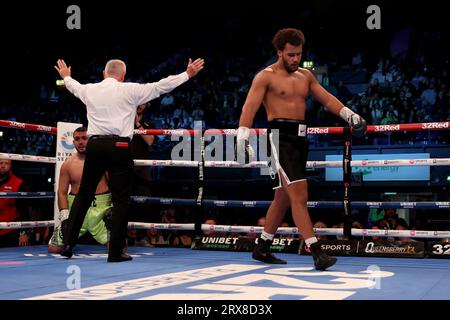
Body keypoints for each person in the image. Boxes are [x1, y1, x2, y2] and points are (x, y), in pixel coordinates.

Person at [237, 28, 367, 270]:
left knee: (283, 196)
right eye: (290, 55)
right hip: (279, 138)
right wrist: (242, 138)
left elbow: (327, 99)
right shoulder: (265, 77)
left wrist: (351, 116)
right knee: (300, 193)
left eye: (298, 54)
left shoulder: (305, 76)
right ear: (279, 52)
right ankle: (316, 252)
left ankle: (262, 247)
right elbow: (249, 108)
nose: (295, 59)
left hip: (300, 139)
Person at [54, 57, 204, 262]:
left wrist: (66, 76)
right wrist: (187, 74)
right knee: (121, 199)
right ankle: (115, 252)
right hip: (120, 146)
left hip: (95, 145)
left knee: (83, 194)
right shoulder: (130, 89)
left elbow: (72, 86)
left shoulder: (90, 89)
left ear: (103, 74)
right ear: (122, 76)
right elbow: (161, 86)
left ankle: (68, 245)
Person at [48, 127, 112, 253]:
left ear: (91, 140)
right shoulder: (68, 164)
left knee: (118, 246)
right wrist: (65, 216)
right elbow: (61, 192)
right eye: (77, 139)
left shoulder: (103, 160)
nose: (81, 142)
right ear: (73, 142)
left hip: (101, 209)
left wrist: (113, 209)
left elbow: (115, 186)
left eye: (84, 138)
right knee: (54, 248)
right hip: (76, 209)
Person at [0, 159, 30, 247]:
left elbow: (24, 210)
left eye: (6, 163)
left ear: (11, 166)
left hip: (9, 231)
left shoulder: (19, 183)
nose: (3, 165)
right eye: (0, 163)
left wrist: (23, 232)